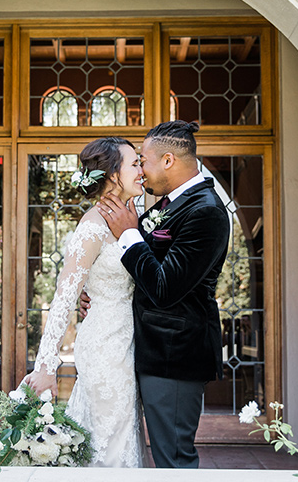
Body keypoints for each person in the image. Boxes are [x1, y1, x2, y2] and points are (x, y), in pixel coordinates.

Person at [98, 120, 230, 469]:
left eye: (143, 160)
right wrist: (101, 292)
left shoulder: (205, 211)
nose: (140, 169)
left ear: (168, 160)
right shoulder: (170, 204)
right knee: (164, 455)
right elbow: (142, 270)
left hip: (175, 356)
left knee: (174, 460)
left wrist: (128, 233)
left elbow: (165, 288)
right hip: (151, 351)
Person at [24, 136, 146, 468]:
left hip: (129, 340)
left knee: (123, 433)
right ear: (111, 173)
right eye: (134, 163)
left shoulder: (137, 213)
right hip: (105, 347)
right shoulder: (92, 227)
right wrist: (47, 366)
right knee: (109, 436)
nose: (141, 169)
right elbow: (64, 294)